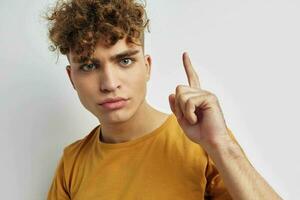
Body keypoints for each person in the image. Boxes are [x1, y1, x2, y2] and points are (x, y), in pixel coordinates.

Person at [44, 0, 283, 199]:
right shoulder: (72, 163)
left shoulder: (203, 142)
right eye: (89, 65)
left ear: (146, 67)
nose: (109, 84)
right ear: (71, 78)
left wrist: (221, 145)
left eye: (124, 61)